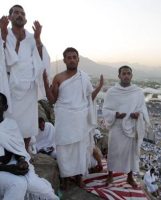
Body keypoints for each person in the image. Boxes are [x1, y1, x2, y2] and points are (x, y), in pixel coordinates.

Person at [43, 47, 103, 189]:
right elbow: (52, 100)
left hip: (80, 118)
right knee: (64, 148)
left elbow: (89, 99)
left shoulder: (84, 77)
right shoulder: (58, 77)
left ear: (78, 59)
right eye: (68, 57)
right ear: (64, 60)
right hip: (64, 117)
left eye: (74, 57)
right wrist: (45, 83)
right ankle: (64, 177)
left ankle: (79, 176)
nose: (71, 59)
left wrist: (99, 87)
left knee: (80, 149)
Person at [0, 5, 50, 150]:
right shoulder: (4, 33)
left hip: (29, 87)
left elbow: (42, 60)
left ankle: (25, 155)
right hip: (8, 85)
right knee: (9, 121)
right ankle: (9, 154)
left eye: (22, 13)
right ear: (9, 17)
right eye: (16, 12)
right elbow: (4, 59)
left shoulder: (31, 37)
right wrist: (3, 36)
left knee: (27, 124)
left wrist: (38, 39)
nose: (20, 15)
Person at [0, 92, 59, 200]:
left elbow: (17, 150)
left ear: (5, 107)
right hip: (3, 170)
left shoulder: (10, 125)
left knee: (45, 192)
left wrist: (21, 160)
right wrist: (8, 169)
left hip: (12, 165)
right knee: (18, 184)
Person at [103, 65, 150, 186]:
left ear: (132, 76)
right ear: (119, 76)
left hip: (132, 127)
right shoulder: (111, 92)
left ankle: (129, 177)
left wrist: (138, 115)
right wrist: (115, 115)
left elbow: (142, 109)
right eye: (123, 73)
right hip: (117, 126)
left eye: (128, 73)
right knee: (113, 151)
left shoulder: (138, 92)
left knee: (131, 153)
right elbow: (105, 109)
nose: (126, 76)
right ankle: (110, 176)